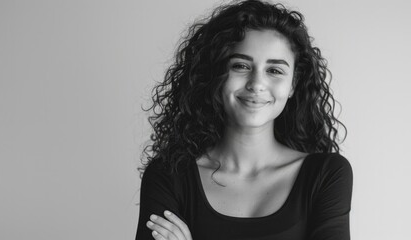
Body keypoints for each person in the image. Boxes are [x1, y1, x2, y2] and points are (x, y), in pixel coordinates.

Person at [135, 0, 353, 239]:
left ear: (293, 84)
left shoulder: (327, 175)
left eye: (274, 70)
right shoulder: (168, 175)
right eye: (240, 66)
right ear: (216, 74)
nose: (257, 84)